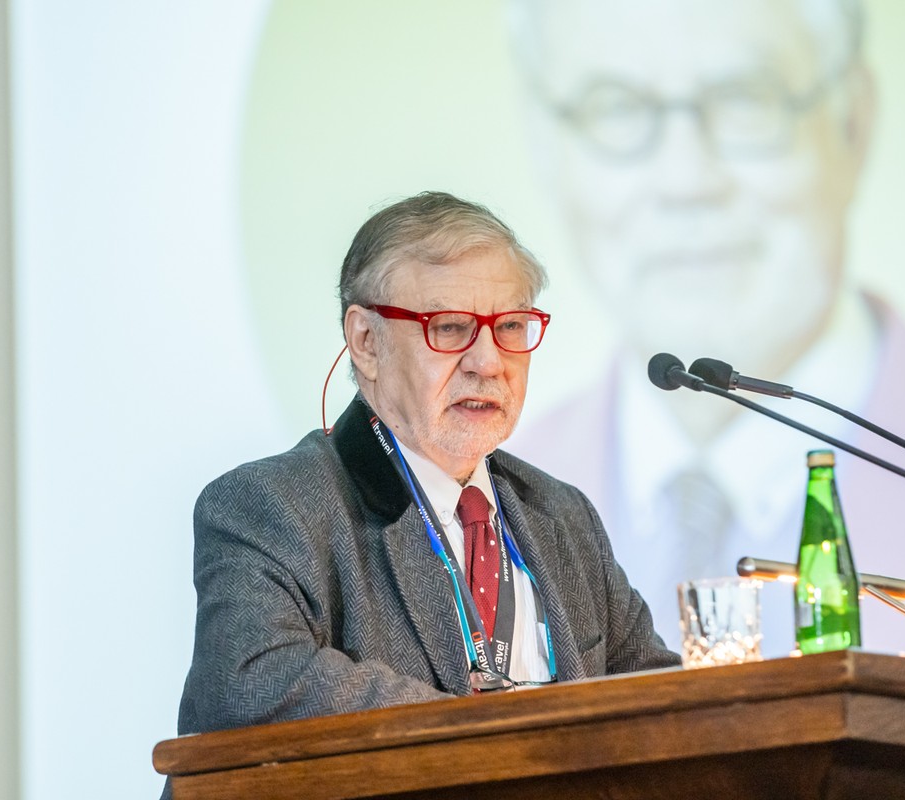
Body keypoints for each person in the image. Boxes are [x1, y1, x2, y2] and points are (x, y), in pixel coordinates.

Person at [504, 0, 905, 653]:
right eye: (615, 107)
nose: (685, 180)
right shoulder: (492, 495)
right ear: (542, 144)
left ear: (852, 122)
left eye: (744, 99)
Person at [172, 191, 679, 741]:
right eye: (451, 327)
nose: (488, 362)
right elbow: (251, 685)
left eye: (509, 326)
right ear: (366, 341)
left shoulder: (562, 514)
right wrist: (491, 731)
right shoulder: (271, 505)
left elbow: (655, 696)